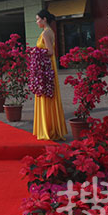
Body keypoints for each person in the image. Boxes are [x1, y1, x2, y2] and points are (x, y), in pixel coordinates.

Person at [33, 10, 68, 141]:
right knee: (48, 96)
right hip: (47, 66)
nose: (37, 22)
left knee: (45, 95)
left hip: (46, 66)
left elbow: (50, 51)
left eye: (38, 19)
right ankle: (50, 126)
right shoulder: (49, 32)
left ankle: (47, 128)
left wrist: (36, 53)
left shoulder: (46, 33)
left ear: (44, 19)